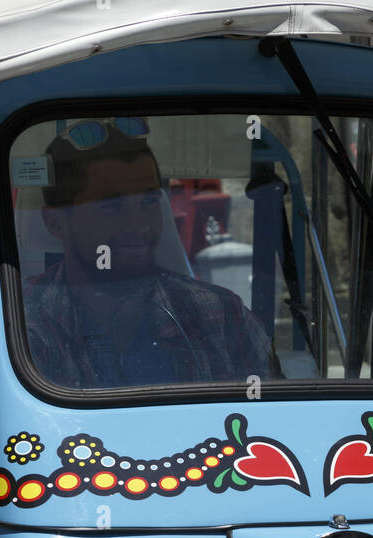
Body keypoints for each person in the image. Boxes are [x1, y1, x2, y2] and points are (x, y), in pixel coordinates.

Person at [21, 120, 276, 390]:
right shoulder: (22, 326)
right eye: (112, 206)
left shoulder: (221, 316)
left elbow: (277, 421)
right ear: (56, 222)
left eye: (149, 202)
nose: (139, 225)